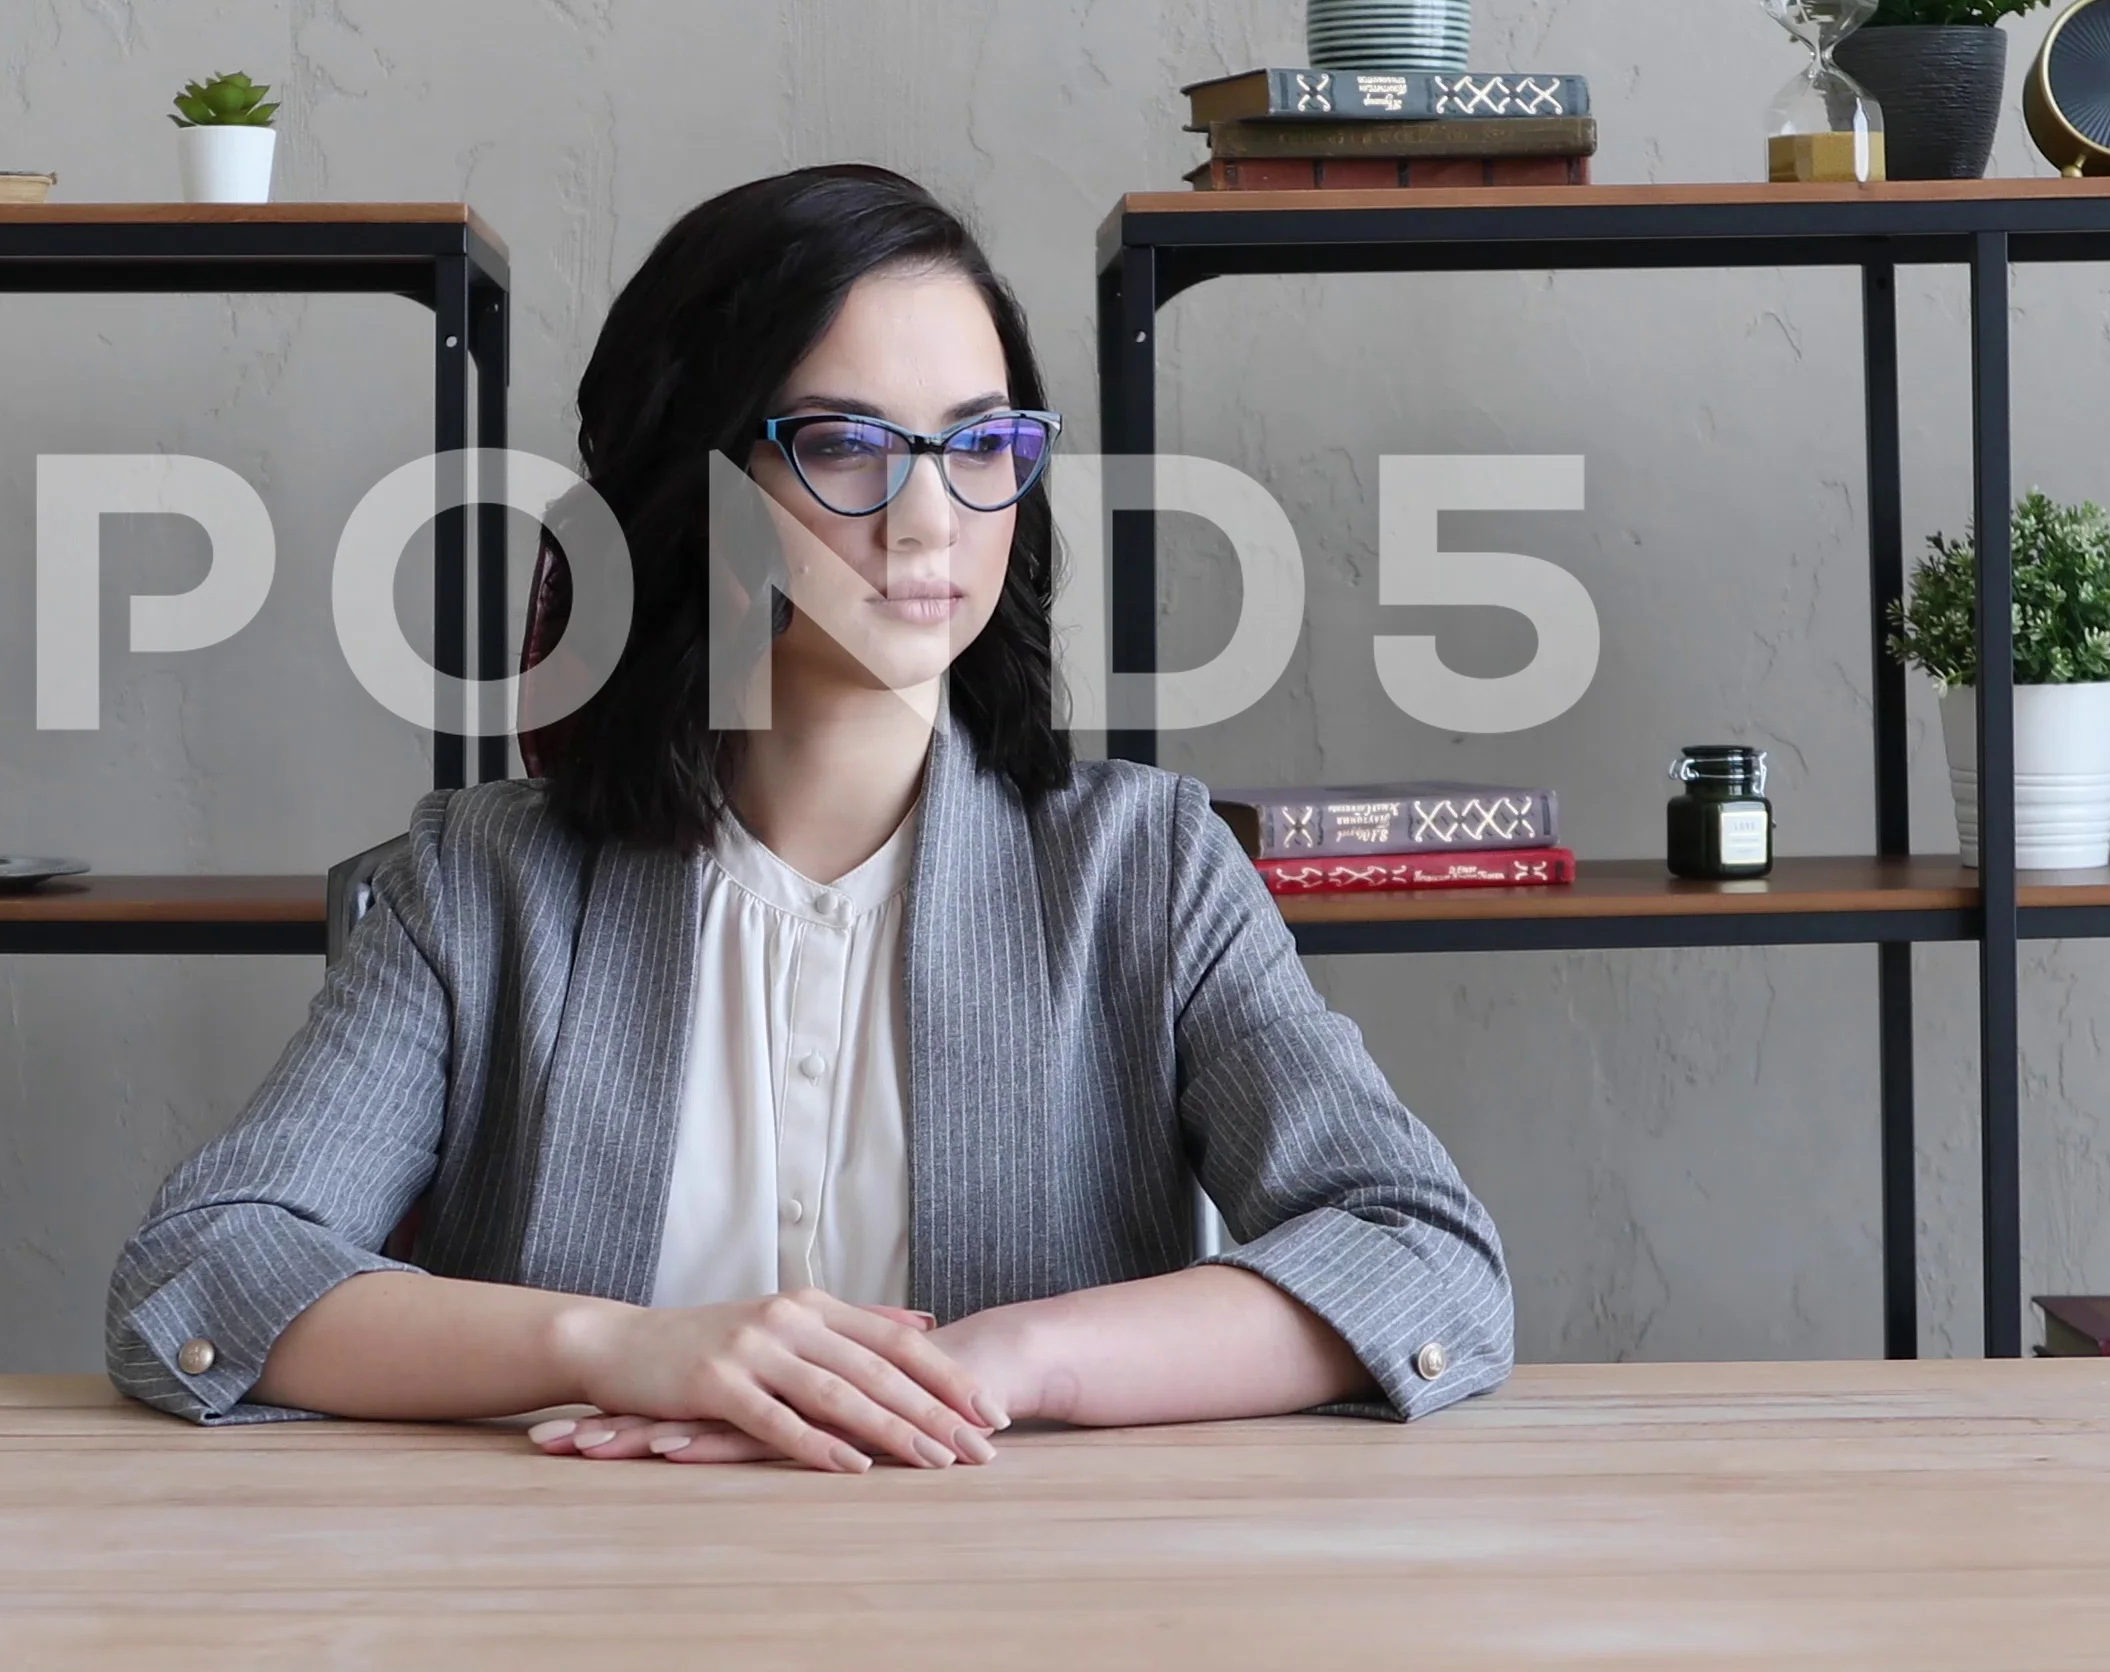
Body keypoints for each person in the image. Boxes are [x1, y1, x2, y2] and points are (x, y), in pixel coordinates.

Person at [106, 165, 1512, 1471]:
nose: (929, 522)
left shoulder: (1147, 871)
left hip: (1040, 1605)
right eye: (846, 446)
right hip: (558, 1604)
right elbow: (206, 1269)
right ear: (693, 490)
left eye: (982, 446)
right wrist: (626, 1348)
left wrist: (1004, 1360)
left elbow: (1425, 1258)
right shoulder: (475, 887)